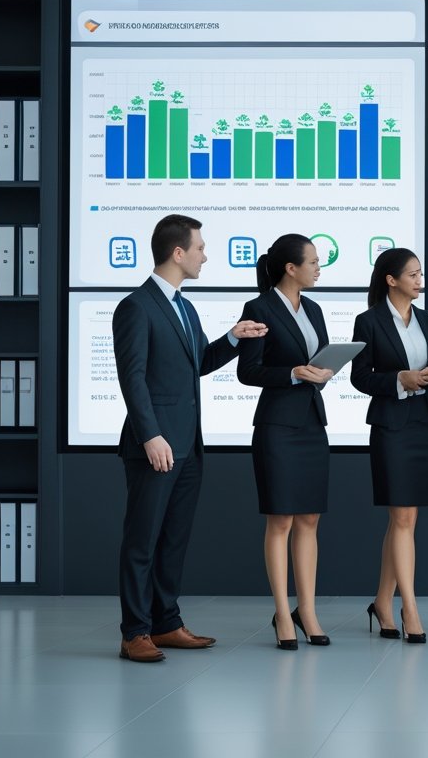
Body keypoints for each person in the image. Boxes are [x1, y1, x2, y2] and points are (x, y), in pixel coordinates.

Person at [113, 214, 267, 663]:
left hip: (188, 445)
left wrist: (233, 338)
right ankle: (134, 632)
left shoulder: (184, 306)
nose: (205, 255)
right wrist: (150, 436)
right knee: (142, 540)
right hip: (155, 445)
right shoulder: (136, 306)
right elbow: (133, 379)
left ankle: (165, 623)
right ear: (178, 253)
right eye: (199, 247)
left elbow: (198, 361)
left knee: (173, 539)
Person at [237, 234, 334, 651]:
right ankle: (282, 611)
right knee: (280, 521)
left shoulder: (313, 309)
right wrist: (294, 373)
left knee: (310, 519)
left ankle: (307, 609)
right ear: (290, 268)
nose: (318, 268)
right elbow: (249, 371)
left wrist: (325, 372)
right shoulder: (258, 309)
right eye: (312, 261)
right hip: (277, 425)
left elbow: (322, 359)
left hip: (311, 422)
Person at [352, 248, 428, 645]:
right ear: (391, 280)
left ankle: (382, 601)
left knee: (404, 520)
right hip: (391, 426)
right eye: (412, 274)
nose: (419, 279)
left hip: (425, 425)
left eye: (421, 273)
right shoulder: (369, 321)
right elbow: (360, 378)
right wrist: (399, 379)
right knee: (403, 519)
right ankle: (408, 607)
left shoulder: (427, 319)